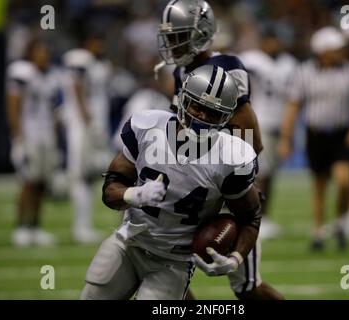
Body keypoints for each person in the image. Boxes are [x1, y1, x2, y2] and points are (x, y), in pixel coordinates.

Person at [81, 65, 262, 300]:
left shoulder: (232, 157)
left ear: (225, 118)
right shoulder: (147, 126)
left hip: (174, 261)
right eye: (198, 106)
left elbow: (250, 216)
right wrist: (134, 195)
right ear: (183, 99)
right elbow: (110, 191)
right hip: (128, 244)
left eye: (213, 113)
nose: (202, 117)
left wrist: (235, 259)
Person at [157, 0, 282, 299]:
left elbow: (252, 138)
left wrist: (240, 185)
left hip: (223, 185)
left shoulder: (226, 67)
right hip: (192, 185)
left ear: (201, 33)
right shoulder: (181, 72)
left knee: (247, 287)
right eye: (169, 36)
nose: (172, 44)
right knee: (164, 276)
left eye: (179, 35)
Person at [279, 26, 349, 251]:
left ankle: (340, 221)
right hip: (316, 133)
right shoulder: (304, 72)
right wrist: (286, 138)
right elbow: (293, 106)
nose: (340, 52)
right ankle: (319, 230)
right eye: (335, 49)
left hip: (341, 133)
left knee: (345, 181)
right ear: (322, 51)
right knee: (319, 184)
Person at [239, 24, 297, 240]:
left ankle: (264, 217)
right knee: (256, 174)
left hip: (276, 124)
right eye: (272, 39)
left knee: (269, 174)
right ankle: (255, 218)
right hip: (256, 122)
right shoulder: (251, 59)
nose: (275, 44)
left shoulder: (288, 64)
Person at [6, 39, 59, 247]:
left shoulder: (51, 76)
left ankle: (36, 227)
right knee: (27, 182)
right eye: (40, 51)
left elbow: (53, 108)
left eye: (46, 51)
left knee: (41, 183)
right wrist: (18, 135)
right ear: (31, 53)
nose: (44, 55)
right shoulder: (22, 71)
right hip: (29, 136)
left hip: (46, 137)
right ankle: (21, 227)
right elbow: (12, 103)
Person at [62, 33, 113, 244]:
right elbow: (76, 88)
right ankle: (80, 227)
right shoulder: (80, 58)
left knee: (91, 177)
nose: (99, 44)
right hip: (82, 126)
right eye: (95, 40)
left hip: (93, 125)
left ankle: (85, 226)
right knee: (80, 176)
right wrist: (87, 119)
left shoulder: (98, 63)